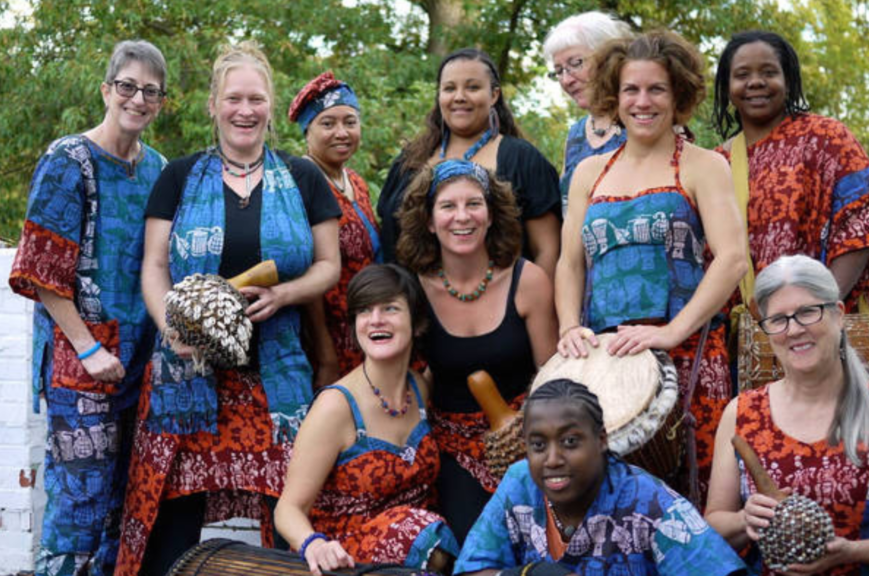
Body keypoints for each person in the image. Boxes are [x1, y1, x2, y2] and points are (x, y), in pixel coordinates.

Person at [115, 42, 342, 576]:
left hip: (276, 377)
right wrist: (170, 323)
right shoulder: (179, 177)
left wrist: (285, 293)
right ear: (214, 104)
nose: (246, 110)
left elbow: (328, 266)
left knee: (287, 521)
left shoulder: (303, 178)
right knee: (170, 528)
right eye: (234, 98)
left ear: (270, 104)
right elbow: (153, 267)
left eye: (257, 99)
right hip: (186, 378)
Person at [554, 30, 746, 503]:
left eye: (656, 89)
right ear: (613, 97)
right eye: (631, 90)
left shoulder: (704, 165)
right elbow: (569, 262)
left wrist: (671, 332)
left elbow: (733, 258)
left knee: (693, 495)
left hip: (688, 355)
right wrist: (569, 326)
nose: (643, 101)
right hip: (610, 362)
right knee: (613, 501)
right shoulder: (588, 173)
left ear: (677, 94)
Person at [8, 39, 167, 576]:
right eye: (127, 86)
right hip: (83, 364)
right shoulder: (68, 160)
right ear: (106, 89)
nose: (137, 98)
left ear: (161, 102)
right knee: (79, 512)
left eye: (150, 91)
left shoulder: (158, 169)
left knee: (126, 508)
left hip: (140, 362)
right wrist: (89, 347)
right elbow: (40, 271)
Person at [705, 254, 869, 574]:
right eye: (778, 319)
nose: (794, 330)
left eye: (808, 312)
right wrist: (743, 519)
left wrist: (849, 551)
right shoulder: (742, 413)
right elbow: (713, 527)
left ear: (838, 314)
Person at [396, 159, 558, 544]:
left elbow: (553, 376)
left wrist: (523, 434)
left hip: (525, 438)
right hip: (450, 451)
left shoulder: (528, 279)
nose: (462, 217)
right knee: (472, 548)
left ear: (490, 215)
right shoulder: (413, 289)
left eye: (474, 204)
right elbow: (409, 377)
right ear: (430, 221)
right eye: (448, 206)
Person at [711, 30, 869, 311]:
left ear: (788, 81)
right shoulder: (717, 162)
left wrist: (819, 307)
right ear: (728, 87)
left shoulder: (825, 138)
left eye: (768, 72)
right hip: (746, 335)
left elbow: (868, 215)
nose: (755, 82)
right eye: (742, 75)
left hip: (820, 325)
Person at [455, 379, 747, 576]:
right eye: (538, 445)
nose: (553, 459)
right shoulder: (520, 482)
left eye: (570, 441)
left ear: (602, 440)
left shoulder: (649, 501)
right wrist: (527, 573)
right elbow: (471, 569)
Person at [275, 264, 458, 575]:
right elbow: (287, 509)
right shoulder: (335, 406)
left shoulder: (420, 387)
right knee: (421, 531)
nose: (375, 320)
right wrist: (314, 545)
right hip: (343, 559)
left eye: (390, 308)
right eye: (364, 311)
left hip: (414, 560)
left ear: (416, 322)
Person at [378, 48, 562, 277]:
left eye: (472, 87)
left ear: (494, 95)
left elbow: (548, 250)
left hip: (501, 307)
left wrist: (531, 304)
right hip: (413, 306)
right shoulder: (409, 161)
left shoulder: (522, 160)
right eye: (449, 88)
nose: (459, 97)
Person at [288, 71, 381, 388]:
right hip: (326, 339)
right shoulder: (299, 181)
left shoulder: (356, 181)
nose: (342, 132)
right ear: (307, 131)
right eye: (328, 124)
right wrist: (326, 356)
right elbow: (307, 271)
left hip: (365, 330)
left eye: (350, 122)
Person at [542, 11, 632, 215]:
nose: (566, 80)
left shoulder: (643, 120)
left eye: (576, 64)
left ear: (608, 59)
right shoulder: (576, 135)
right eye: (558, 71)